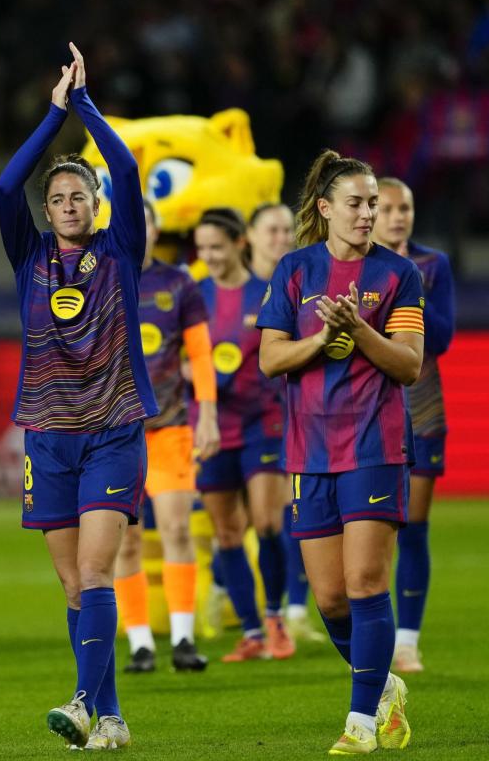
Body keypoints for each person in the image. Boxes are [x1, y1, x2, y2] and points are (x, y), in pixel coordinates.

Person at [0, 44, 150, 752]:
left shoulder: (120, 249)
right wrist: (50, 117)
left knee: (95, 570)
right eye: (56, 197)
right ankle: (112, 716)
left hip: (114, 427)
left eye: (77, 196)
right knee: (72, 587)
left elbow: (125, 168)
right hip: (47, 436)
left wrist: (84, 107)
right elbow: (6, 187)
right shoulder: (28, 255)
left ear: (95, 205)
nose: (65, 204)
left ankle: (86, 705)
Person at [257, 149, 419, 755]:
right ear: (325, 209)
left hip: (376, 443)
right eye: (355, 203)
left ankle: (360, 724)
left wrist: (361, 332)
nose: (367, 213)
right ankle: (383, 688)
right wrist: (323, 338)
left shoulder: (399, 275)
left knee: (364, 579)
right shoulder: (295, 271)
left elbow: (409, 365)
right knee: (327, 597)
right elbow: (272, 358)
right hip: (308, 449)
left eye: (373, 203)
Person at [114, 200, 216, 674]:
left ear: (155, 229)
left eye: (145, 221)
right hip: (114, 434)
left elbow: (200, 352)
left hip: (170, 426)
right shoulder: (101, 278)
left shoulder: (179, 283)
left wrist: (208, 415)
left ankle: (181, 639)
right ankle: (139, 643)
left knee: (176, 528)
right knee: (125, 542)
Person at [193, 208, 296, 664]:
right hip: (212, 425)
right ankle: (252, 632)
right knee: (228, 533)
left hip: (263, 422)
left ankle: (276, 618)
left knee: (268, 521)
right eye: (201, 249)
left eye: (216, 247)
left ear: (238, 244)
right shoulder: (194, 298)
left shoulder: (268, 292)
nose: (208, 256)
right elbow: (177, 358)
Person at [373, 178, 455, 674]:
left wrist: (409, 294)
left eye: (407, 207)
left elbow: (441, 337)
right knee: (368, 528)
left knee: (414, 529)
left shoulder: (431, 265)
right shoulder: (355, 265)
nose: (400, 216)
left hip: (422, 407)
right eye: (389, 209)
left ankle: (407, 641)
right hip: (365, 409)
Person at [248, 203, 323, 645]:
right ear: (250, 237)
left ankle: (290, 609)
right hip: (237, 422)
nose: (280, 237)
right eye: (270, 229)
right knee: (234, 524)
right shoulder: (229, 288)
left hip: (289, 418)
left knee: (279, 516)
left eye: (285, 230)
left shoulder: (301, 281)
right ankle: (238, 600)